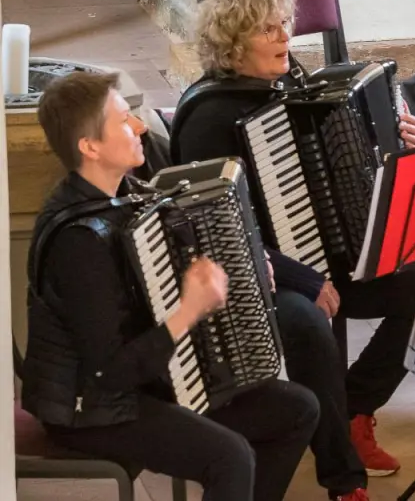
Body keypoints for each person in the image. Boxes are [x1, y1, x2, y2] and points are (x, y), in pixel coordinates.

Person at [170, 0, 415, 501]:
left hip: (323, 254)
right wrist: (304, 277)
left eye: (284, 25)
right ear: (232, 42)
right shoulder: (208, 118)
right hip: (253, 274)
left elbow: (352, 166)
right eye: (267, 30)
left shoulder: (290, 85)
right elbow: (214, 229)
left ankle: (354, 405)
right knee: (312, 322)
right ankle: (343, 477)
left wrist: (410, 139)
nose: (284, 38)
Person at [22, 71, 319, 501]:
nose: (141, 126)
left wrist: (249, 271)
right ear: (90, 147)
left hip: (142, 382)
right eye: (124, 121)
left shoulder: (125, 194)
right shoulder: (78, 242)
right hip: (89, 410)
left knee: (297, 409)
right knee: (229, 456)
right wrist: (188, 311)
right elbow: (109, 373)